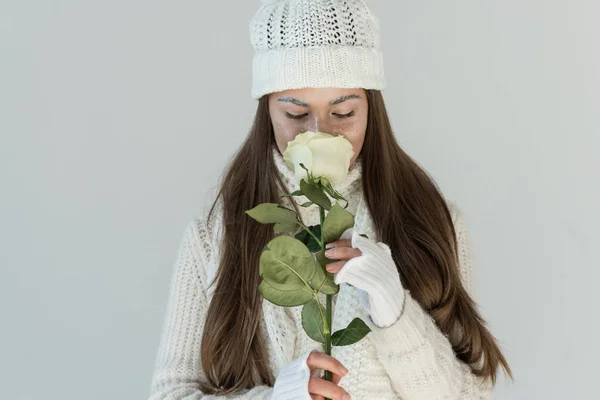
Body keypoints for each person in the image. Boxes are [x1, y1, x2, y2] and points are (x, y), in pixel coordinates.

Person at [148, 0, 512, 399]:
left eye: (343, 112)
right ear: (266, 110)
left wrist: (397, 315)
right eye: (296, 114)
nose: (320, 133)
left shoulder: (434, 222)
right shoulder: (214, 236)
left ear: (372, 108)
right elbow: (170, 394)